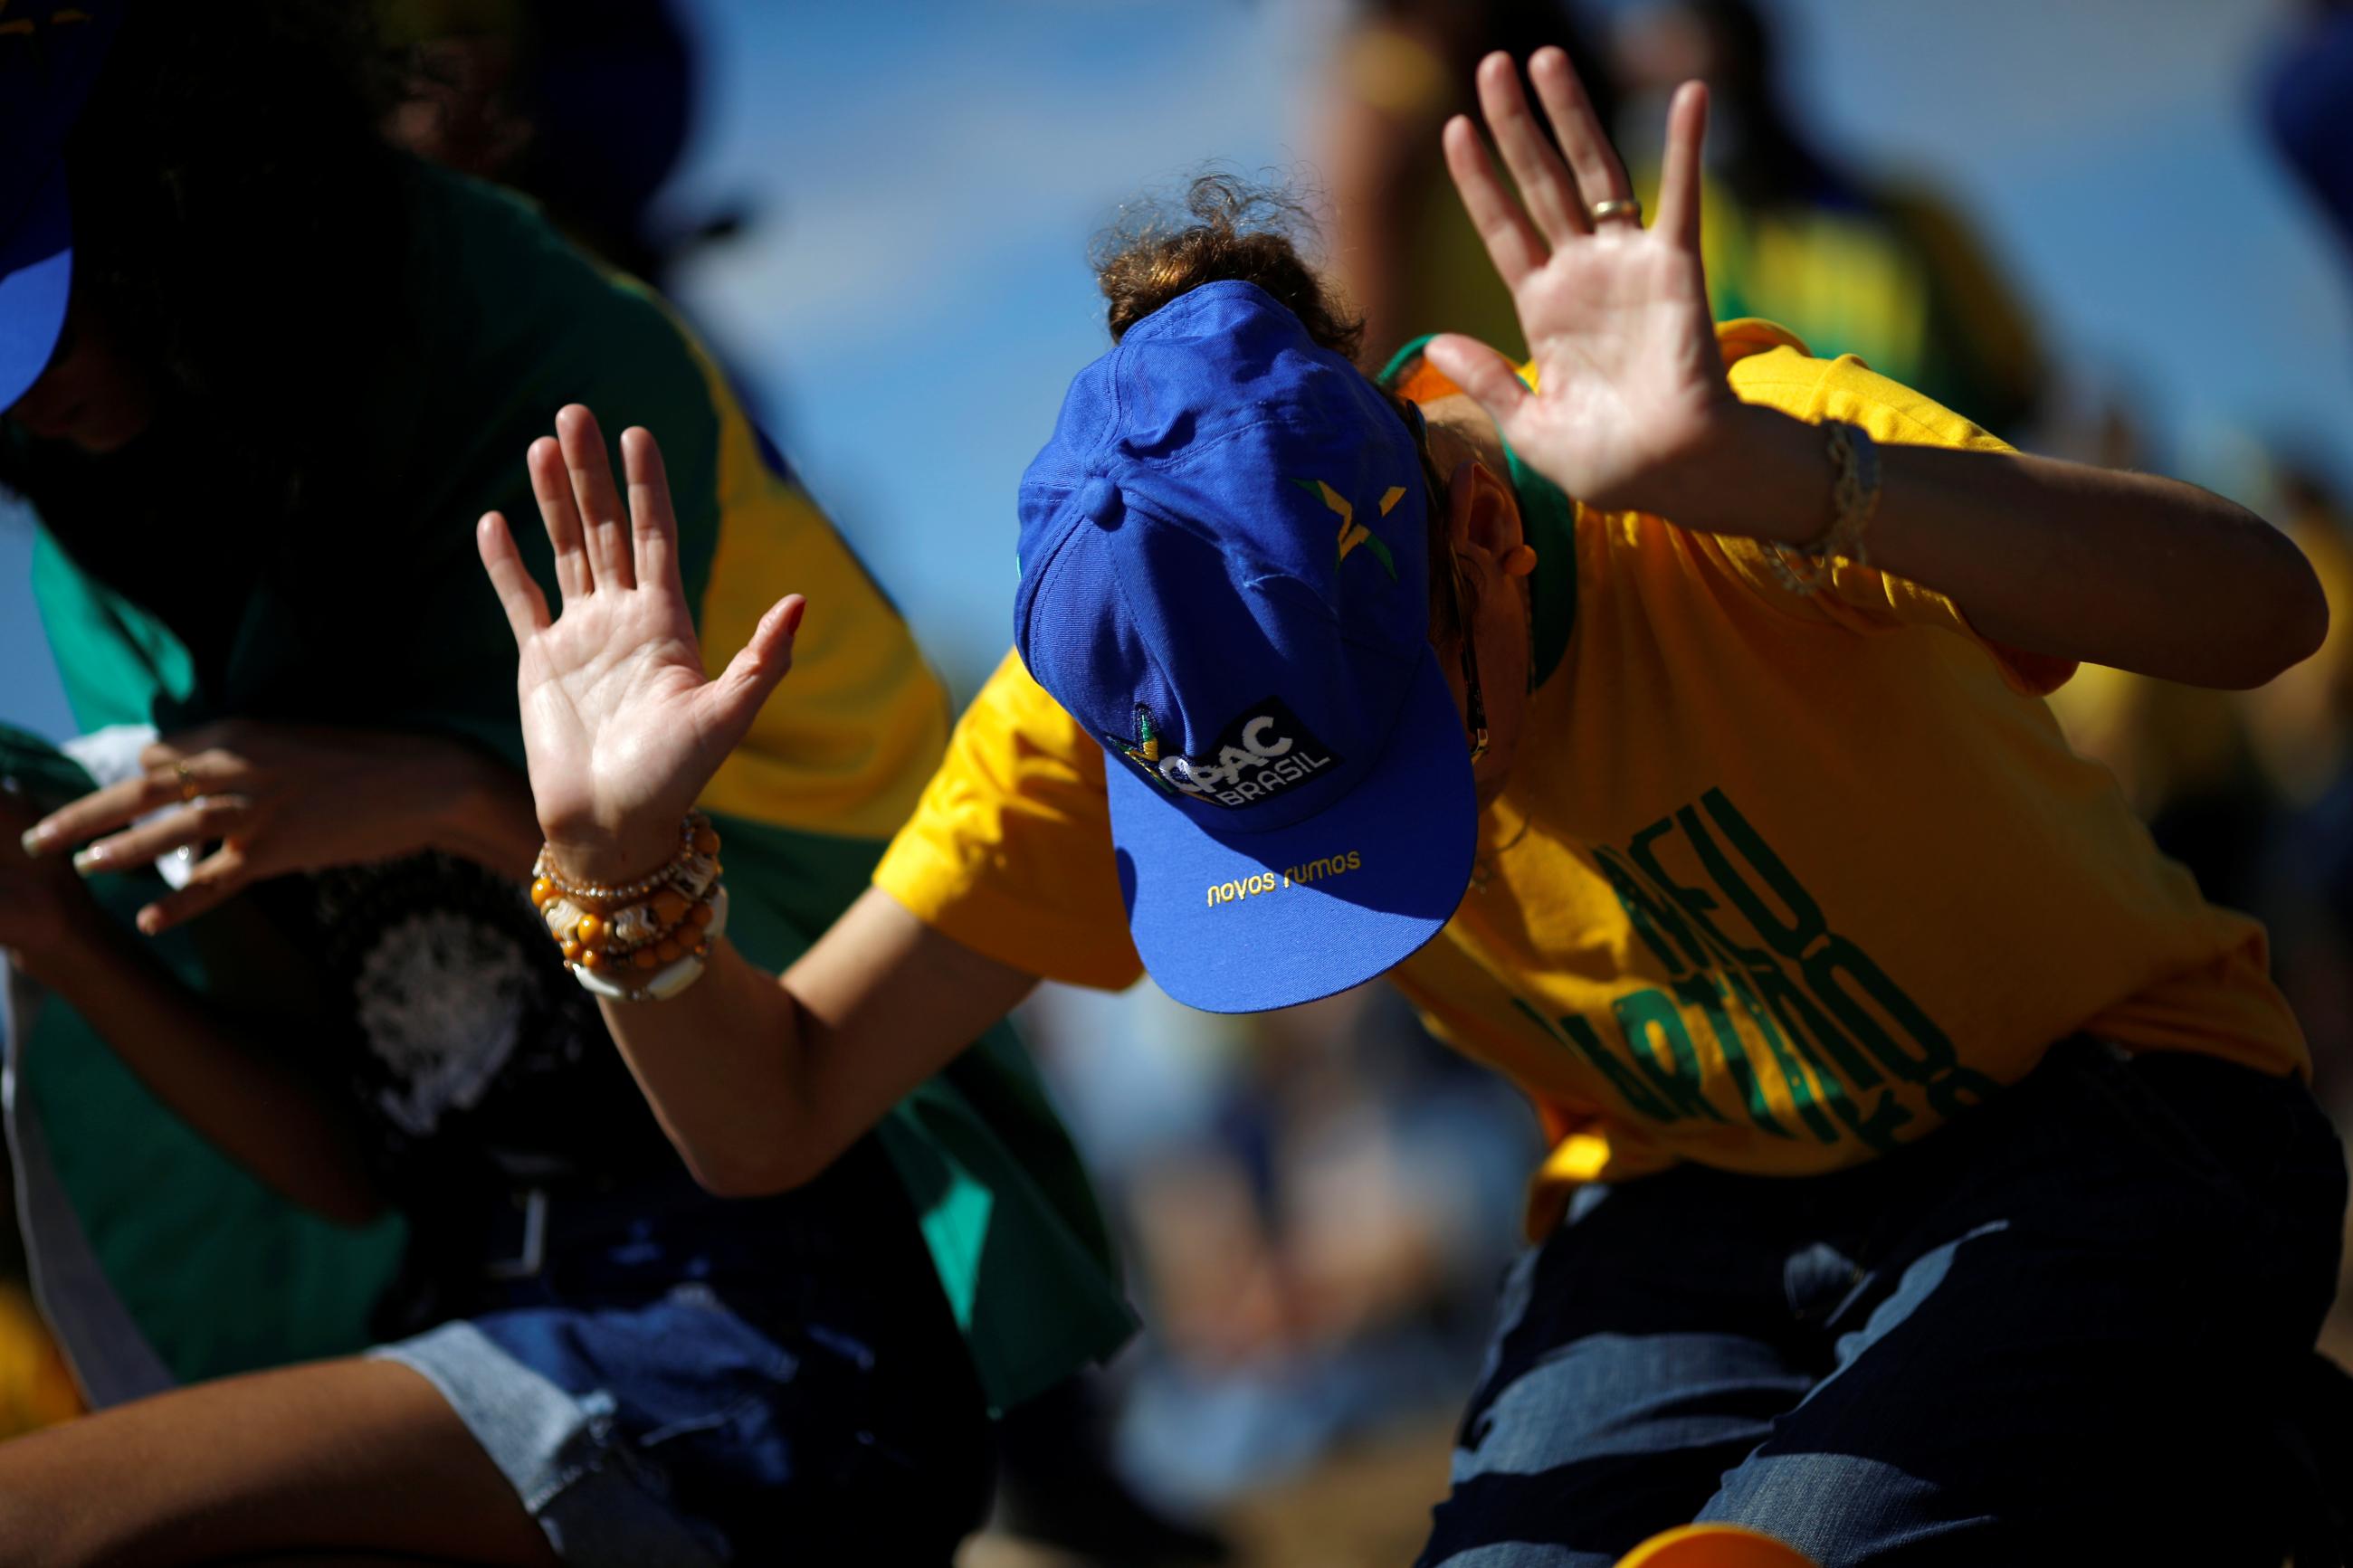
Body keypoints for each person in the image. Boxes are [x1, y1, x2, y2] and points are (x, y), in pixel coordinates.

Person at [475, 44, 2343, 1568]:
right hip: (1687, 1199)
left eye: (1382, 775)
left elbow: (2261, 610)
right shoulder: (1121, 680)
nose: (1331, 850)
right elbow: (777, 1106)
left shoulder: (1695, 496)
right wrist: (621, 884)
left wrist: (1781, 472)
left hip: (2111, 1109)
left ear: (1472, 530)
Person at [0, 3, 1127, 1561]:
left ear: (173, 196)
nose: (18, 390)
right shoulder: (132, 572)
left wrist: (454, 796)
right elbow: (347, 1161)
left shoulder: (547, 394)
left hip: (744, 1321)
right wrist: (60, 937)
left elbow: (782, 1089)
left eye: (38, 293)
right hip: (469, 1311)